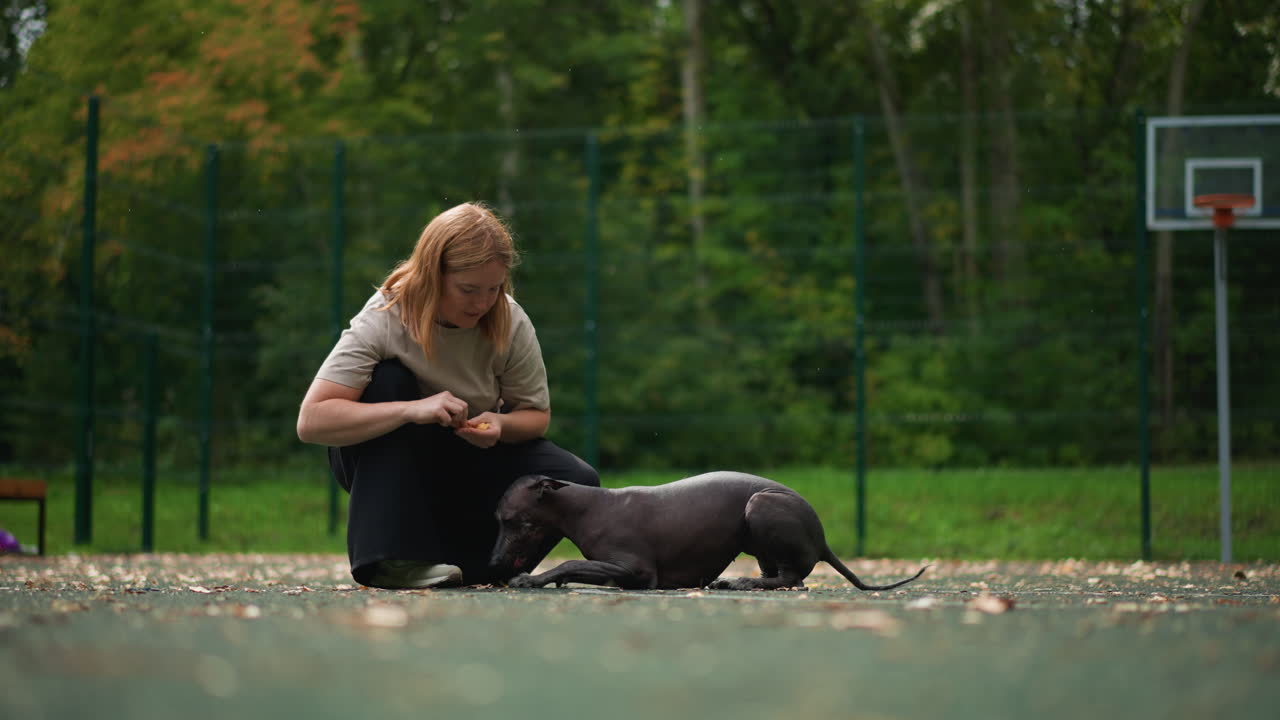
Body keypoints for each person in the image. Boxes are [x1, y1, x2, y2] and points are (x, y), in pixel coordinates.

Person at [296, 202, 599, 589]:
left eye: (494, 289)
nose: (481, 303)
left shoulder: (509, 319)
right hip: (391, 462)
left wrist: (499, 425)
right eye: (468, 289)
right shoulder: (386, 315)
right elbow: (312, 420)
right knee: (388, 380)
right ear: (431, 275)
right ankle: (389, 562)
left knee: (574, 480)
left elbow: (535, 416)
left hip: (468, 456)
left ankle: (487, 568)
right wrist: (412, 410)